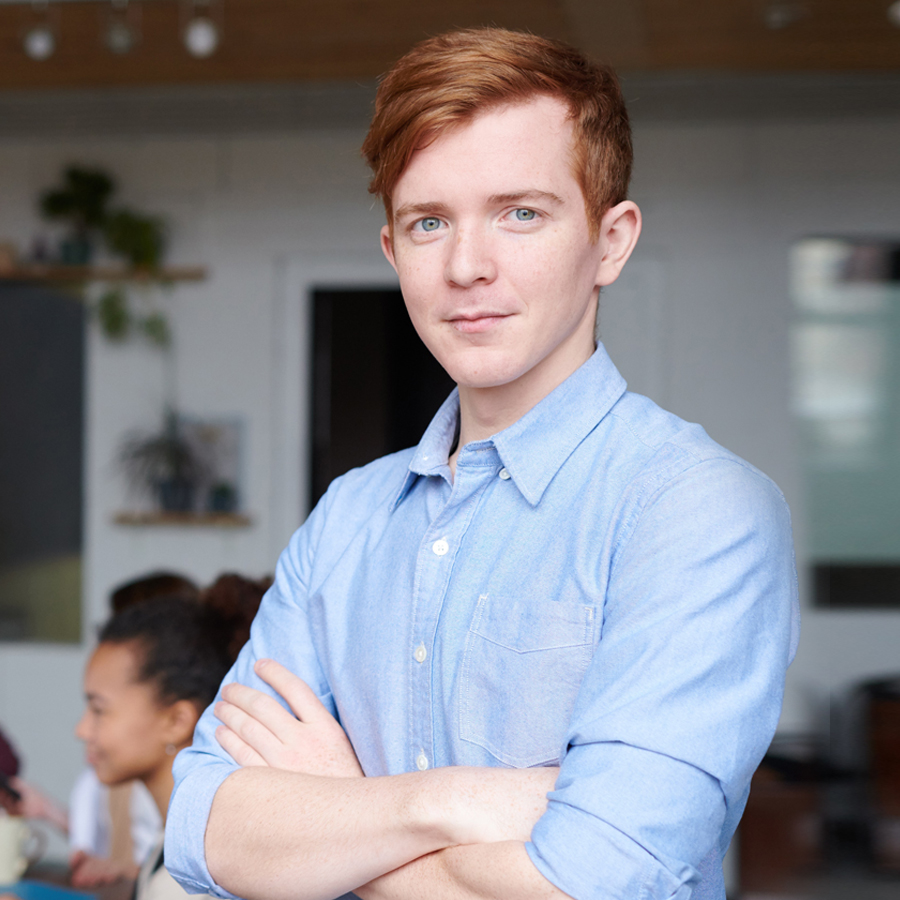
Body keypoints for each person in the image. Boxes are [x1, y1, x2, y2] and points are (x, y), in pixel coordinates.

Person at [166, 27, 800, 900]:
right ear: (393, 251)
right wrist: (450, 805)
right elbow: (204, 829)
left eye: (521, 213)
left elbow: (598, 884)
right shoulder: (350, 515)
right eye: (428, 223)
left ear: (611, 242)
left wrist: (341, 813)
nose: (467, 266)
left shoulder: (696, 509)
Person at [77, 580, 263, 900]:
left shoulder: (194, 878)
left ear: (177, 721)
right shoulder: (175, 842)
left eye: (98, 709)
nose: (81, 730)